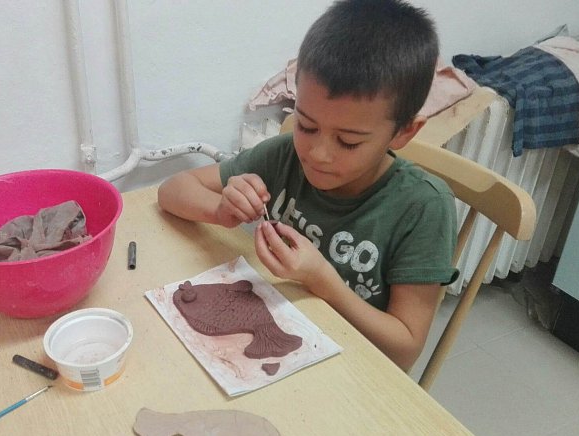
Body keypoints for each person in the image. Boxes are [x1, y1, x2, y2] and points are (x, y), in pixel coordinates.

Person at [157, 0, 458, 371]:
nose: (317, 154)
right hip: (282, 346)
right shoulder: (284, 155)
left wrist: (322, 280)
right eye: (306, 125)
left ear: (404, 132)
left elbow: (404, 350)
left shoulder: (424, 207)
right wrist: (220, 211)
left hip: (355, 369)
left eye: (348, 142)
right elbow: (172, 190)